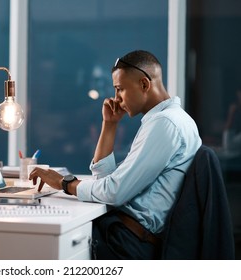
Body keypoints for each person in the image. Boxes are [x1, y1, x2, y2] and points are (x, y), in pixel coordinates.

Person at [29, 50, 202, 259]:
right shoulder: (167, 120)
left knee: (42, 245)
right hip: (127, 234)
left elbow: (114, 192)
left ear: (144, 84)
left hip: (130, 242)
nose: (116, 98)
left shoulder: (165, 124)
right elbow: (106, 182)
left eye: (120, 89)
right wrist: (109, 126)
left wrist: (66, 183)